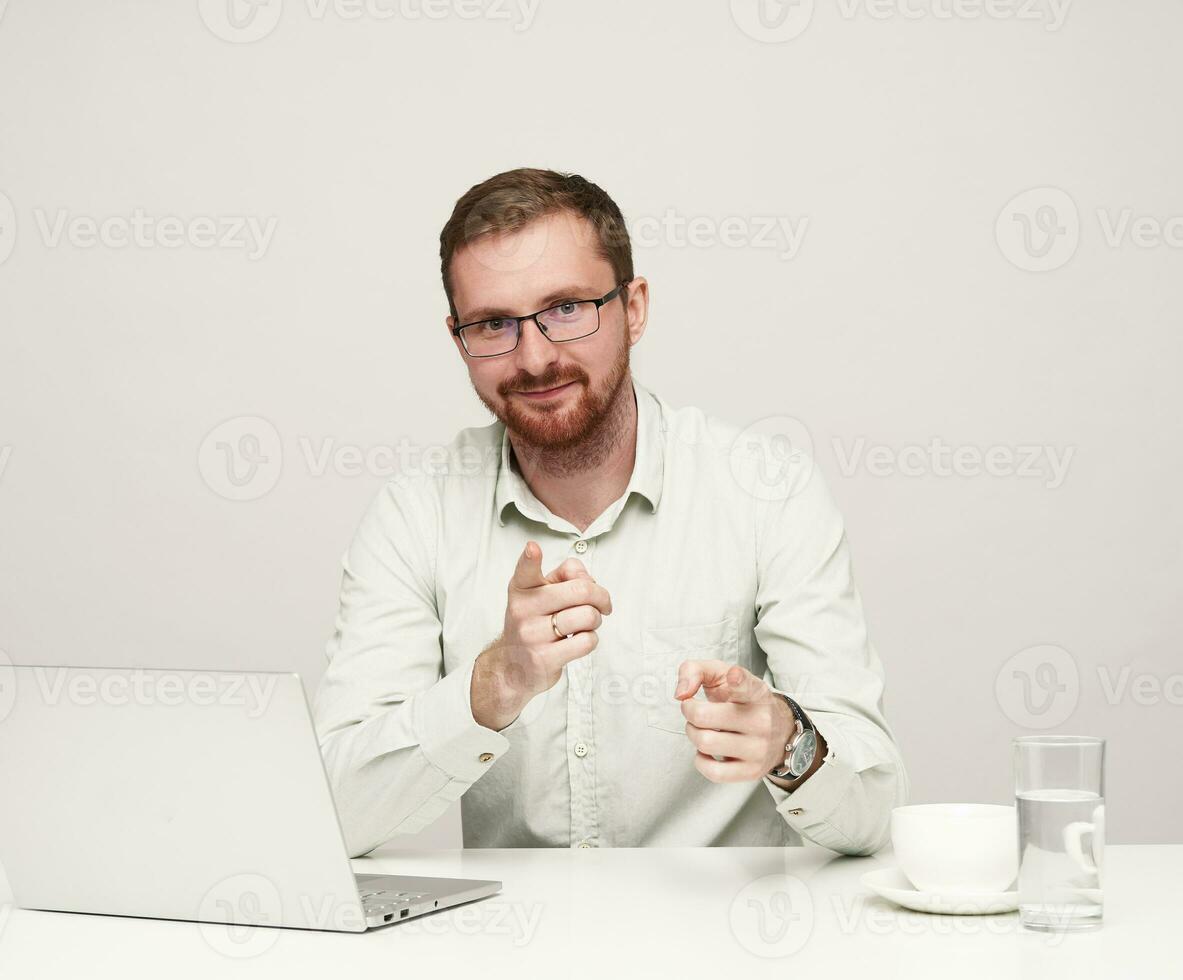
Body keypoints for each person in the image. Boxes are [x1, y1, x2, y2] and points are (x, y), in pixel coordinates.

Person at [313, 167, 906, 856]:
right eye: (494, 323)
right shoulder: (415, 515)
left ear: (635, 308)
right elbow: (331, 818)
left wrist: (787, 739)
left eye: (567, 308)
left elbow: (877, 813)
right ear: (458, 338)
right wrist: (491, 686)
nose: (535, 358)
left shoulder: (769, 491)